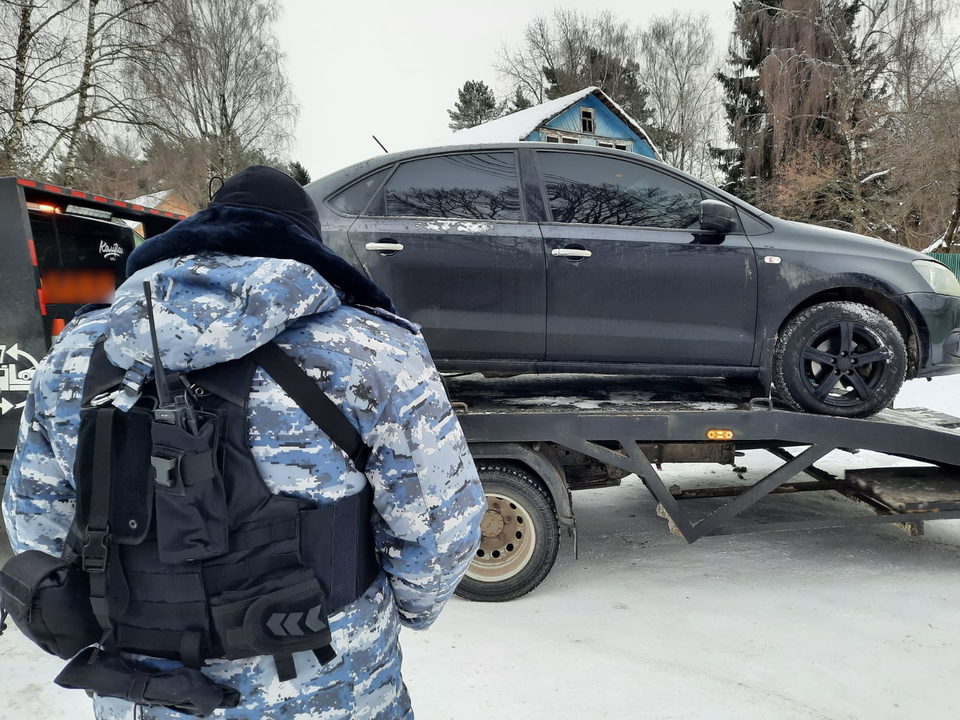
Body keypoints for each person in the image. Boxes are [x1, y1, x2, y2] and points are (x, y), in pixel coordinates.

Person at [2, 165, 486, 719]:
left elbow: (35, 526)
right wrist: (406, 611)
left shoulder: (74, 355)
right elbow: (443, 526)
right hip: (331, 685)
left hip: (144, 688)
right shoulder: (372, 350)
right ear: (305, 243)